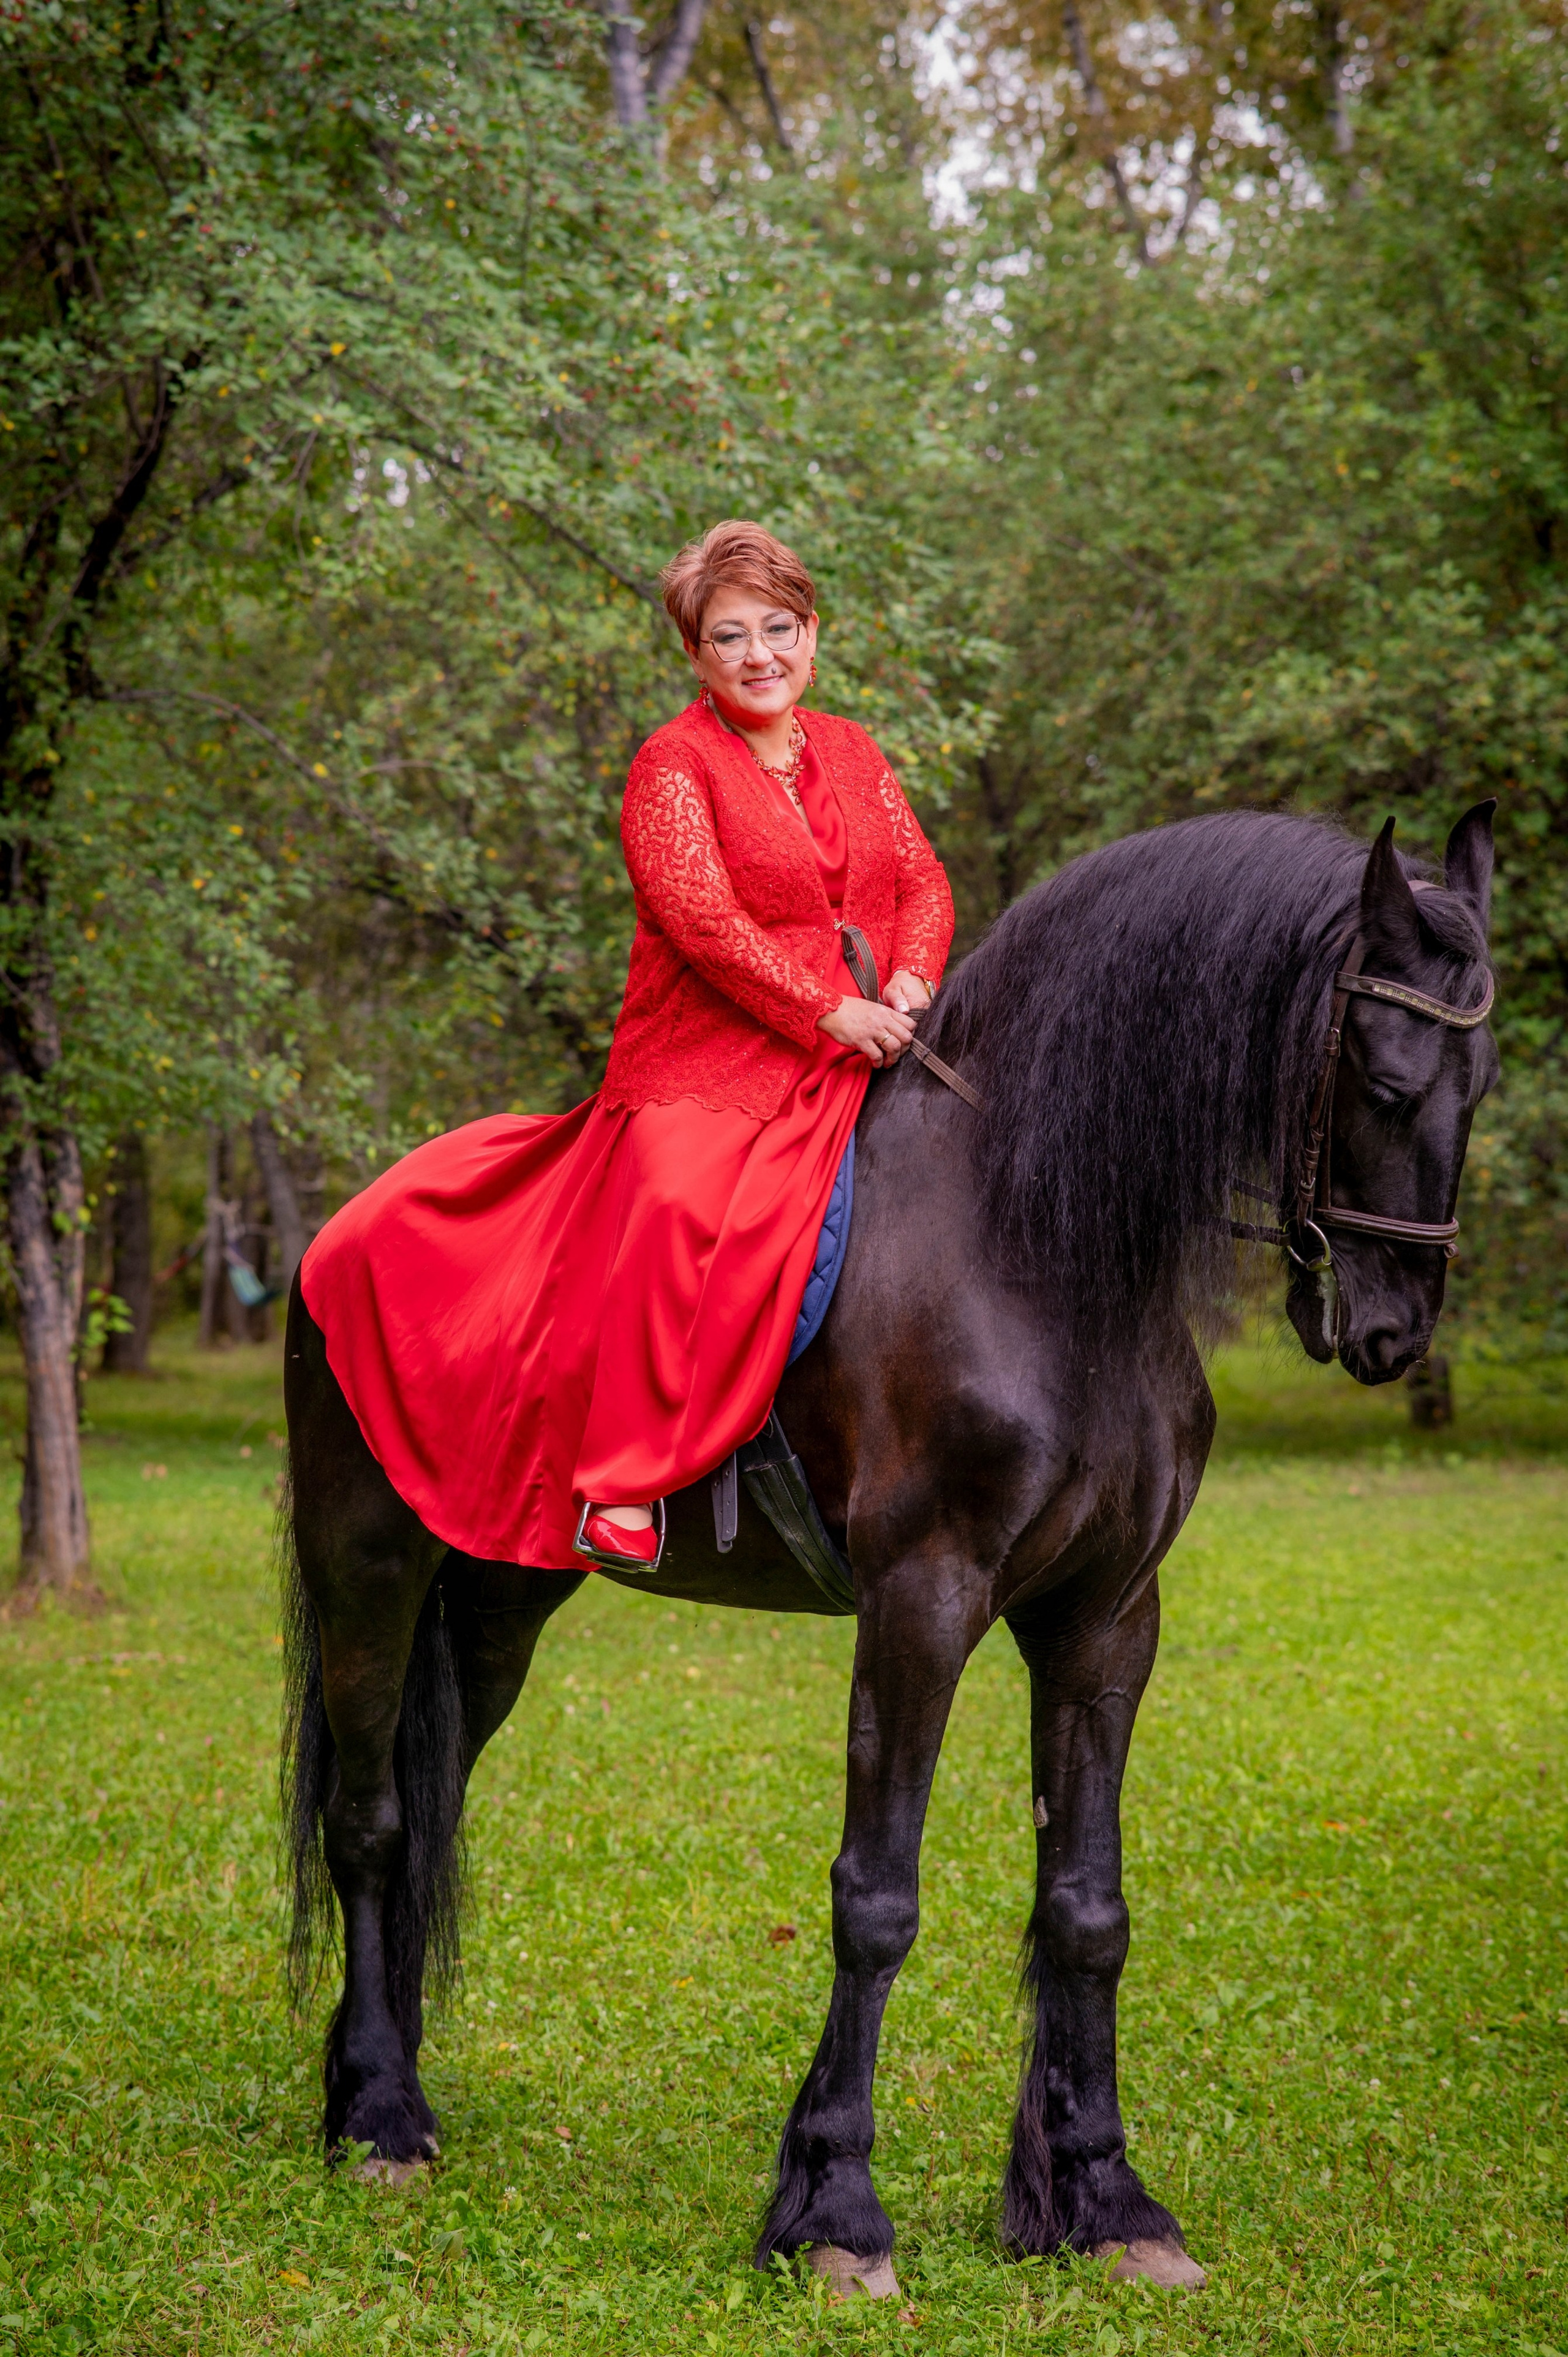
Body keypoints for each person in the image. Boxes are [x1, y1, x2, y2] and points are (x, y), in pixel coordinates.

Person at [300, 520, 955, 1572]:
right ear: (694, 653)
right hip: (710, 1057)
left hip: (873, 1034)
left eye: (778, 628)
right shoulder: (672, 764)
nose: (759, 655)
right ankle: (625, 1485)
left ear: (813, 634)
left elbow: (921, 879)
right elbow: (702, 923)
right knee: (677, 1196)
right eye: (730, 636)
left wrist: (913, 980)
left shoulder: (851, 749)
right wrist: (827, 1009)